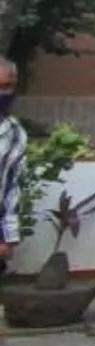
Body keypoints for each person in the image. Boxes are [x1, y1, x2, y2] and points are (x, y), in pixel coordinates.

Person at [0, 57, 20, 277]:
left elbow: (10, 189)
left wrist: (7, 237)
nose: (3, 93)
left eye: (7, 87)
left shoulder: (14, 134)